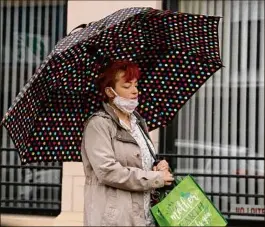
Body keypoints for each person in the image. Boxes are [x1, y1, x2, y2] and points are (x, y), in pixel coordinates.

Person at [81, 60, 174, 226]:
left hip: (146, 217)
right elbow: (107, 171)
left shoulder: (137, 122)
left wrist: (158, 166)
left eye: (136, 84)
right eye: (126, 86)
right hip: (116, 220)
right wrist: (155, 178)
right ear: (110, 91)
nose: (135, 91)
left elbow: (142, 162)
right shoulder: (99, 125)